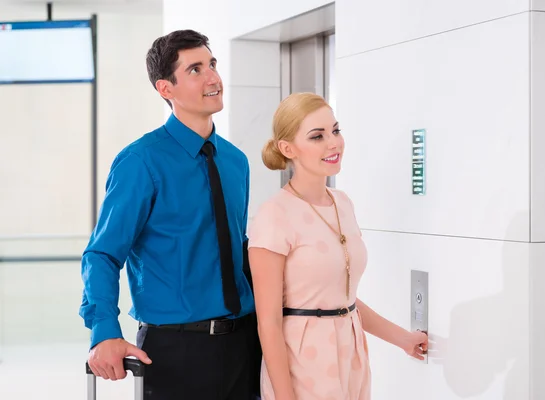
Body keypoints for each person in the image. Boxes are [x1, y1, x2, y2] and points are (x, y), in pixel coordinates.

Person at [79, 29, 260, 400]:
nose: (212, 77)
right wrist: (105, 331)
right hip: (177, 352)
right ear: (166, 88)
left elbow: (238, 248)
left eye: (212, 64)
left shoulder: (236, 161)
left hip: (245, 344)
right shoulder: (140, 161)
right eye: (195, 69)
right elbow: (102, 254)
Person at [247, 92, 428, 400]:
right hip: (302, 362)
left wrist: (404, 339)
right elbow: (268, 323)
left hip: (351, 354)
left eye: (335, 130)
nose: (333, 143)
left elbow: (344, 302)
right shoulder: (274, 215)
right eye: (317, 136)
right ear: (287, 148)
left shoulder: (342, 203)